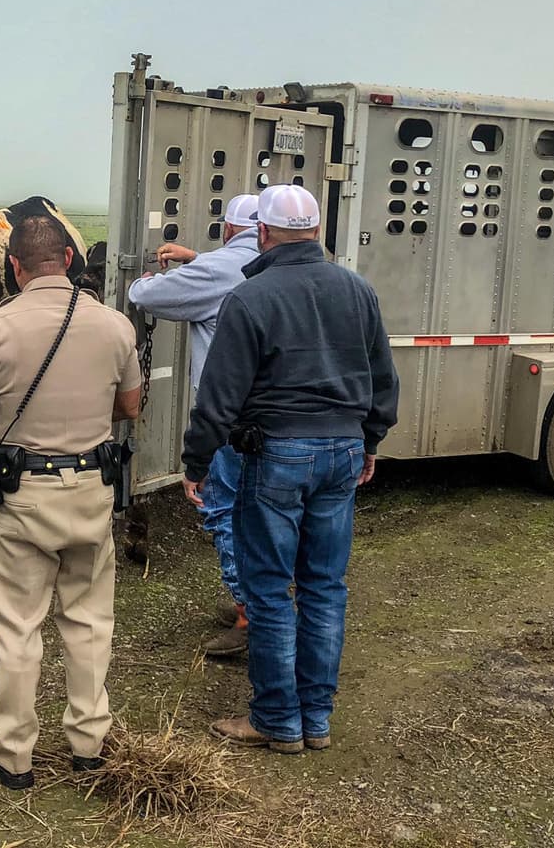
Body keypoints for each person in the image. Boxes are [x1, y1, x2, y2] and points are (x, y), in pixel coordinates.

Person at [181, 184, 398, 754]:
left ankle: (278, 720)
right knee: (325, 587)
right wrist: (369, 440)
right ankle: (316, 721)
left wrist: (197, 462)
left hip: (276, 453)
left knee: (271, 589)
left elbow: (219, 395)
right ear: (318, 230)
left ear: (265, 233)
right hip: (343, 453)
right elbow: (382, 379)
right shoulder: (358, 290)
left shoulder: (252, 297)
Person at [0, 213, 142, 789]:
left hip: (21, 495)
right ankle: (89, 743)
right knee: (88, 621)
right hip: (93, 490)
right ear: (70, 261)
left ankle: (13, 753)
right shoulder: (114, 326)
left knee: (17, 626)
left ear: (14, 266)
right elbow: (130, 407)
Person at [129, 194, 259, 657]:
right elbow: (233, 269)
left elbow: (146, 295)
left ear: (228, 229)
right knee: (265, 514)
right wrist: (199, 260)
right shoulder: (280, 265)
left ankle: (249, 617)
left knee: (224, 509)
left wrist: (144, 277)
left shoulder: (220, 269)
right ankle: (266, 602)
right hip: (278, 421)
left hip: (230, 420)